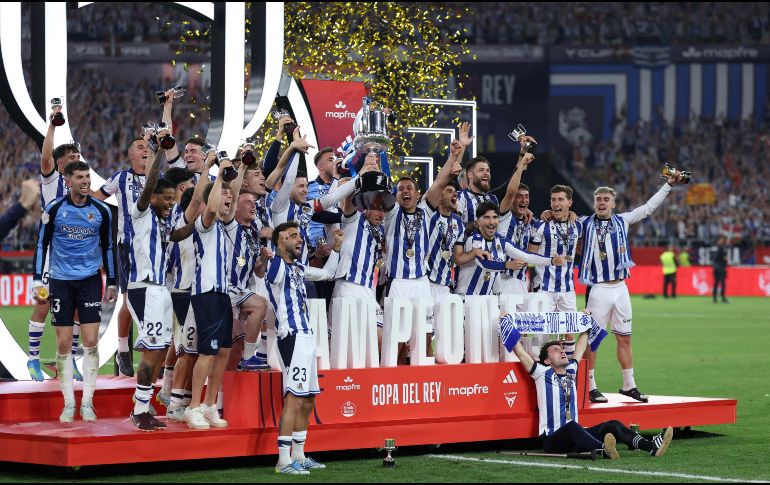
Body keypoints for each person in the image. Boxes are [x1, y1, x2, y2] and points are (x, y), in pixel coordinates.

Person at [578, 171, 685, 404]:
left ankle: (629, 385)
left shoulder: (624, 220)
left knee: (625, 338)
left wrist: (668, 185)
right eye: (598, 199)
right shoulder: (584, 223)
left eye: (606, 199)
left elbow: (648, 208)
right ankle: (590, 385)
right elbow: (563, 218)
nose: (602, 203)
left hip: (621, 289)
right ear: (594, 203)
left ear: (613, 204)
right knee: (592, 339)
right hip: (598, 289)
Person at [505, 317, 674, 459]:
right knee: (572, 426)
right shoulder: (541, 373)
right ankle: (603, 449)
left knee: (612, 425)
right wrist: (505, 322)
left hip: (577, 436)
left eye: (563, 349)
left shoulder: (571, 369)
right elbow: (520, 352)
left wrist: (585, 324)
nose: (563, 351)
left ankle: (650, 446)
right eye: (556, 350)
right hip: (554, 440)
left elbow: (580, 347)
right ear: (547, 360)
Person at [32, 160, 118, 423]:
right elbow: (41, 245)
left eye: (87, 177)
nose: (85, 181)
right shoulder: (55, 208)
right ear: (68, 181)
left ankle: (88, 403)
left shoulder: (102, 210)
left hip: (90, 280)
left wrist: (112, 281)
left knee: (91, 340)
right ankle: (69, 403)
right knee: (63, 342)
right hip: (60, 281)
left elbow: (108, 248)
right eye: (79, 177)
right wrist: (38, 281)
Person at [126, 148, 195, 431]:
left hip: (161, 290)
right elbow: (152, 181)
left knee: (160, 347)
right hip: (144, 288)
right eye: (165, 198)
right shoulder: (141, 212)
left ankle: (144, 405)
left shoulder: (165, 222)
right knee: (151, 351)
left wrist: (204, 219)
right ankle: (139, 408)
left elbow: (178, 235)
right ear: (151, 196)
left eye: (172, 198)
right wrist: (157, 153)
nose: (170, 203)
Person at [267, 222, 343, 475]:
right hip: (292, 337)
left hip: (307, 337)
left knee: (308, 397)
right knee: (295, 397)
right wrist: (268, 246)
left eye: (300, 236)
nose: (299, 240)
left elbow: (328, 274)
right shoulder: (276, 266)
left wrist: (337, 249)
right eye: (292, 237)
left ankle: (298, 454)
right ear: (280, 243)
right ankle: (283, 460)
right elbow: (266, 268)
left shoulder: (298, 268)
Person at [183, 156, 247, 430]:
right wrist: (218, 175)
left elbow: (231, 198)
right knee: (207, 353)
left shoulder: (224, 226)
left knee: (222, 352)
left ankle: (209, 405)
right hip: (206, 292)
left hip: (223, 294)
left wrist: (240, 168)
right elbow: (210, 208)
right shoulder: (203, 224)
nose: (229, 199)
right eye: (224, 195)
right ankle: (193, 407)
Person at [27, 106, 83, 382]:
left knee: (74, 309)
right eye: (71, 157)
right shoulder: (52, 180)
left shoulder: (80, 186)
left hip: (75, 256)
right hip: (50, 254)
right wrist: (53, 125)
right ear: (60, 163)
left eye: (78, 156)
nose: (76, 160)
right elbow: (46, 155)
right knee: (43, 304)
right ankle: (33, 359)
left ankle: (69, 361)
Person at [93, 133, 154, 378]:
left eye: (147, 147)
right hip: (128, 245)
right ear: (131, 155)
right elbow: (97, 198)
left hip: (155, 247)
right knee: (130, 299)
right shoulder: (120, 178)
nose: (145, 150)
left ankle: (153, 344)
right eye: (140, 147)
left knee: (156, 297)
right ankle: (123, 350)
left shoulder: (158, 178)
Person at [455, 202, 562, 296]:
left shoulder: (501, 241)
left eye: (495, 217)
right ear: (478, 221)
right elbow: (485, 264)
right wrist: (507, 265)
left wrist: (551, 260)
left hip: (487, 301)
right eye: (487, 217)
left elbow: (526, 255)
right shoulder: (473, 239)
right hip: (467, 298)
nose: (492, 222)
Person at [712, 236, 728, 303]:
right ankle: (722, 298)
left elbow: (714, 258)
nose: (722, 241)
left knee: (716, 283)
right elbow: (724, 258)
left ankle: (715, 298)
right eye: (721, 239)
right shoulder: (722, 248)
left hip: (716, 267)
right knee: (722, 283)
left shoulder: (714, 248)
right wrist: (725, 260)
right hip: (720, 267)